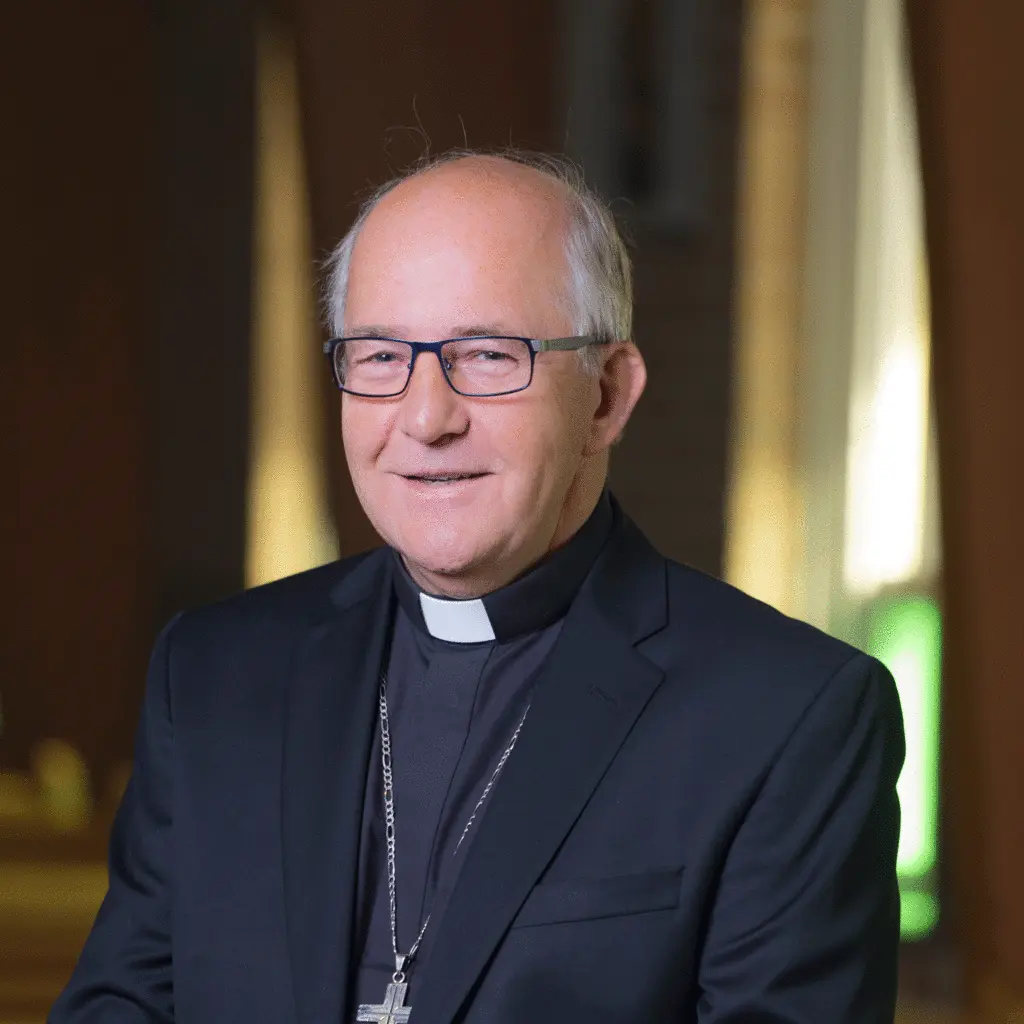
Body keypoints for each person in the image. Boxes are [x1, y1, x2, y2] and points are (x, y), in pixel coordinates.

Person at [51, 150, 904, 1024]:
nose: (426, 418)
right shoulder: (213, 674)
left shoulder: (786, 717)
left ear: (607, 397)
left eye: (490, 356)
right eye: (380, 356)